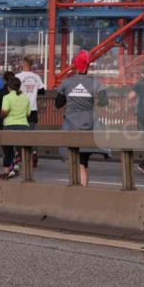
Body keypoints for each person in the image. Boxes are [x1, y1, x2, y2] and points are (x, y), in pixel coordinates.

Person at [55, 51, 109, 187]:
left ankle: (82, 191)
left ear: (75, 66)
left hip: (71, 126)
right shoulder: (95, 82)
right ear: (88, 66)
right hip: (89, 126)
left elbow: (58, 104)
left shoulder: (66, 83)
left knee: (79, 162)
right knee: (84, 162)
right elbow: (104, 101)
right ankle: (84, 188)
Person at [0, 76, 31, 180]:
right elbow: (28, 114)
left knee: (7, 151)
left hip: (9, 125)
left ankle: (6, 171)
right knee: (22, 150)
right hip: (24, 126)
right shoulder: (25, 98)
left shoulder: (7, 97)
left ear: (9, 87)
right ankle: (21, 171)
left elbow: (4, 111)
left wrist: (1, 116)